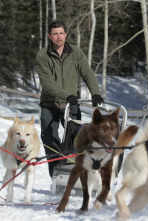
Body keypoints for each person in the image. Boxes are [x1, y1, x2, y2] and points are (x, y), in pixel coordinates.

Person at [36, 20, 104, 178]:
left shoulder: (76, 53)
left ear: (66, 34)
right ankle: (56, 176)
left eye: (61, 33)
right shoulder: (43, 55)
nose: (58, 37)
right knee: (50, 140)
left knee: (76, 141)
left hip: (71, 105)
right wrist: (66, 95)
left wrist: (95, 92)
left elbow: (87, 72)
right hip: (50, 104)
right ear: (49, 36)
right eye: (55, 34)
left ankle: (75, 175)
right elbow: (47, 83)